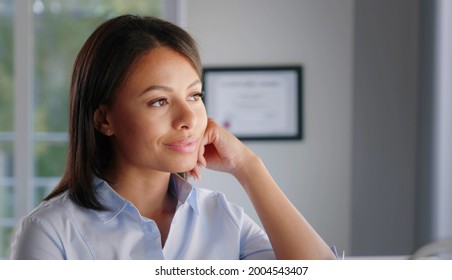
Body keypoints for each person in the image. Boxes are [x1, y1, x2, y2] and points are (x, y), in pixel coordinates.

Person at [9, 14, 335, 260]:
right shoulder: (49, 233)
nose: (188, 119)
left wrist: (249, 167)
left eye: (194, 95)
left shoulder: (221, 217)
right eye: (159, 101)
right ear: (104, 119)